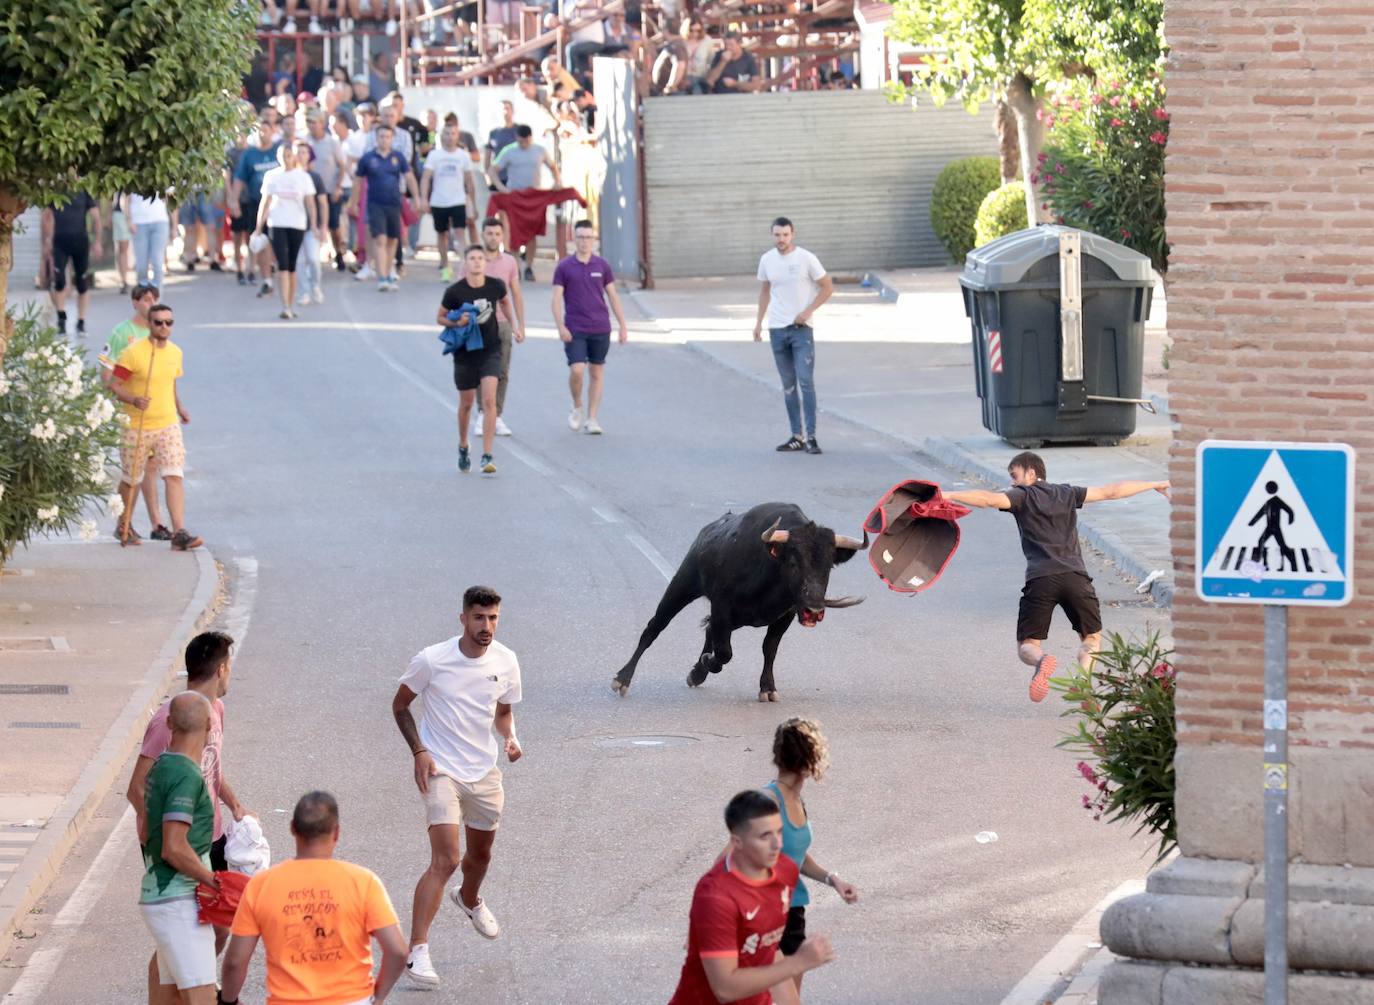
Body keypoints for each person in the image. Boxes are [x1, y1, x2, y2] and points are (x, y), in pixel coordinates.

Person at [944, 452, 1172, 702]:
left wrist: (949, 495)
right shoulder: (1067, 493)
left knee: (1027, 645)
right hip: (1076, 577)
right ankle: (1083, 680)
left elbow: (987, 499)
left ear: (1031, 473)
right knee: (1091, 638)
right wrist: (1154, 484)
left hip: (1040, 579)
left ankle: (1041, 662)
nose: (1012, 483)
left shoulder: (1021, 495)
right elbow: (1111, 491)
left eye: (1014, 476)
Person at [390, 585, 522, 988]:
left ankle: (469, 898)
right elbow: (400, 704)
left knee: (480, 857)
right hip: (441, 770)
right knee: (445, 859)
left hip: (483, 771)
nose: (487, 626)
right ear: (463, 618)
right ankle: (417, 952)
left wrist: (511, 738)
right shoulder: (433, 660)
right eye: (479, 617)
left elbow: (503, 713)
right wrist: (419, 751)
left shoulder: (506, 660)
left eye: (493, 618)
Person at [128, 633, 248, 975]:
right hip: (178, 842)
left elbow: (211, 766)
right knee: (184, 930)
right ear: (222, 669)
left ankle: (190, 983)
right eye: (231, 668)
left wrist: (236, 806)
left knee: (219, 921)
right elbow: (137, 787)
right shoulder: (172, 717)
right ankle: (194, 987)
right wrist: (158, 837)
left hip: (212, 836)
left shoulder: (216, 710)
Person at [219, 791, 409, 1005]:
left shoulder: (261, 886)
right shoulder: (364, 882)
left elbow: (236, 960)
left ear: (293, 829)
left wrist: (228, 1000)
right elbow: (398, 951)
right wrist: (379, 996)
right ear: (336, 832)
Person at [668, 790, 836, 1005]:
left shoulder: (784, 872)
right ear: (737, 842)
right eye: (765, 836)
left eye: (779, 832)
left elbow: (769, 949)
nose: (777, 844)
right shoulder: (716, 897)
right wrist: (798, 963)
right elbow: (725, 988)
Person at [761, 719, 859, 996]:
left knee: (789, 996)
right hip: (763, 914)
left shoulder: (795, 799)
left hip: (793, 913)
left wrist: (834, 880)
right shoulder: (768, 800)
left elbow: (796, 857)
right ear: (811, 762)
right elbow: (730, 858)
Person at [137, 691, 219, 1005]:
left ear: (169, 723)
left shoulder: (159, 768)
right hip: (180, 903)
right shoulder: (187, 776)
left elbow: (146, 831)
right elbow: (173, 847)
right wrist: (215, 882)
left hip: (158, 897)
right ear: (210, 725)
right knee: (201, 999)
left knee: (168, 998)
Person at [111, 303, 203, 552]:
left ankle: (179, 533)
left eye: (168, 322)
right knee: (132, 480)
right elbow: (115, 384)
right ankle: (124, 523)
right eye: (158, 322)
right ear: (149, 325)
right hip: (137, 425)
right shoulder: (133, 353)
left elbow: (170, 383)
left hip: (167, 423)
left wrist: (180, 407)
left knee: (174, 474)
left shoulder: (175, 353)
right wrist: (133, 399)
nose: (164, 327)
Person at [753, 216, 833, 455]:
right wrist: (758, 323)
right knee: (788, 386)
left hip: (801, 329)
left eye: (785, 234)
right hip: (777, 329)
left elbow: (827, 286)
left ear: (793, 234)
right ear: (772, 235)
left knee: (806, 382)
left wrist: (807, 311)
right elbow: (765, 292)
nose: (781, 239)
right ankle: (796, 436)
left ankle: (811, 437)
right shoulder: (767, 260)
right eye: (777, 235)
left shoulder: (806, 258)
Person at [103, 284, 168, 542]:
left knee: (151, 467)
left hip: (157, 411)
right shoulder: (123, 332)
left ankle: (157, 524)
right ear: (134, 302)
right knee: (134, 471)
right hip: (131, 409)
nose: (150, 302)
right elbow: (107, 369)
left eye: (154, 298)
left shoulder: (159, 330)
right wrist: (116, 393)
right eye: (145, 299)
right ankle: (123, 523)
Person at [551, 220, 628, 435]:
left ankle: (593, 418)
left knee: (596, 371)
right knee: (577, 370)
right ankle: (577, 405)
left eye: (588, 237)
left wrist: (622, 325)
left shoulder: (602, 265)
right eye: (581, 237)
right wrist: (560, 326)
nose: (585, 241)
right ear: (574, 239)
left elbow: (613, 296)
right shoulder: (565, 267)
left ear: (594, 240)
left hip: (600, 327)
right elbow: (556, 299)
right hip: (575, 327)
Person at [437, 246, 508, 475]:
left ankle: (487, 455)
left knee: (489, 401)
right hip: (466, 354)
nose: (477, 262)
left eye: (480, 258)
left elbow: (506, 302)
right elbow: (440, 316)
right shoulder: (455, 292)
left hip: (491, 350)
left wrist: (514, 324)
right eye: (472, 259)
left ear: (485, 262)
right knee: (466, 404)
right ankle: (463, 445)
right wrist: (457, 322)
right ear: (465, 263)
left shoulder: (495, 285)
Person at [351, 124, 422, 293]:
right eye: (381, 136)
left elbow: (410, 177)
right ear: (376, 138)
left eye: (387, 136)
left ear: (392, 139)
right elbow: (358, 181)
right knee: (380, 240)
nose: (384, 139)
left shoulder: (398, 157)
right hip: (375, 204)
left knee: (392, 240)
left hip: (394, 204)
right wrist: (353, 202)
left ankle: (389, 273)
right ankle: (382, 277)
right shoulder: (368, 158)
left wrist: (417, 198)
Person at [472, 217, 525, 438]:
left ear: (502, 237)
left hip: (503, 323)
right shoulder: (473, 259)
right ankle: (483, 415)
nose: (493, 238)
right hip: (479, 324)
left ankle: (497, 416)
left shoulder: (509, 262)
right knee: (481, 371)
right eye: (489, 233)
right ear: (482, 235)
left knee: (502, 371)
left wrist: (520, 324)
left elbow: (516, 292)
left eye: (497, 234)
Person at [487, 124, 561, 281]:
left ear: (530, 138)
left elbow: (553, 167)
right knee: (514, 233)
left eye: (526, 142)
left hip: (534, 197)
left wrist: (557, 182)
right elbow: (493, 170)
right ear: (517, 138)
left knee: (532, 234)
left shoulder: (539, 150)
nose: (523, 145)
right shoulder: (509, 151)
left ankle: (528, 266)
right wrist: (501, 187)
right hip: (515, 197)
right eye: (521, 142)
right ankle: (515, 267)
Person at [254, 143, 318, 319]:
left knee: (292, 264)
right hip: (277, 223)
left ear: (294, 157)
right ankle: (284, 306)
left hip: (297, 223)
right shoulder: (271, 176)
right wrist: (259, 227)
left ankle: (290, 303)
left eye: (289, 155)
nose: (286, 159)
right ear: (278, 157)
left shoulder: (302, 177)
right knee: (282, 263)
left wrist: (314, 224)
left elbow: (310, 203)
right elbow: (265, 202)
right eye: (283, 155)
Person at [230, 122, 282, 296]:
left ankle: (279, 272)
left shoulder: (279, 150)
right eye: (259, 131)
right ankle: (266, 279)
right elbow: (239, 179)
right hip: (256, 204)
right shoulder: (249, 154)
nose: (262, 134)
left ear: (272, 131)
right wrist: (234, 200)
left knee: (277, 242)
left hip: (278, 205)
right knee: (259, 241)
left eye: (266, 130)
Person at [422, 122, 478, 282]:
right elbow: (426, 178)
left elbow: (469, 181)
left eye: (453, 133)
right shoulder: (435, 155)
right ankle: (445, 267)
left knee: (460, 233)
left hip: (458, 200)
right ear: (442, 135)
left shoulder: (463, 155)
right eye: (447, 133)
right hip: (439, 201)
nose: (450, 137)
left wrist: (472, 203)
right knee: (442, 234)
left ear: (457, 135)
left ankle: (464, 267)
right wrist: (423, 198)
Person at [42, 190, 101, 335]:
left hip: (80, 242)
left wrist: (98, 241)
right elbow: (46, 216)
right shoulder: (55, 190)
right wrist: (48, 239)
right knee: (59, 281)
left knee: (82, 284)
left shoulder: (84, 192)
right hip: (59, 242)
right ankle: (61, 319)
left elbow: (96, 218)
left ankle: (81, 322)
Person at [305, 106, 350, 270]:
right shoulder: (305, 141)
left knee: (334, 224)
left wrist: (338, 187)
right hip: (310, 191)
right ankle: (312, 258)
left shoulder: (332, 142)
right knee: (311, 224)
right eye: (309, 122)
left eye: (315, 122)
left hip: (330, 190)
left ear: (322, 123)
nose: (312, 126)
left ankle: (339, 252)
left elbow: (342, 166)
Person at [293, 140, 330, 307]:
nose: (301, 156)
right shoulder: (289, 177)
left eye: (305, 152)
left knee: (313, 259)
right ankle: (304, 291)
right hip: (294, 226)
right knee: (299, 261)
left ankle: (315, 286)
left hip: (311, 227)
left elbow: (323, 203)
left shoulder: (315, 178)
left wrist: (323, 227)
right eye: (298, 152)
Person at [125, 192, 171, 290]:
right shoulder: (133, 177)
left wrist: (174, 226)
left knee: (157, 262)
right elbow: (127, 199)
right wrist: (129, 220)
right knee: (141, 265)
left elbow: (172, 198)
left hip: (160, 221)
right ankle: (143, 298)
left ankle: (156, 299)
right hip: (139, 223)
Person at [484, 100, 520, 183]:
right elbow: (487, 156)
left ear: (513, 111)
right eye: (503, 109)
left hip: (517, 177)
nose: (505, 112)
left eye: (507, 108)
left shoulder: (519, 130)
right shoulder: (493, 133)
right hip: (499, 177)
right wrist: (488, 174)